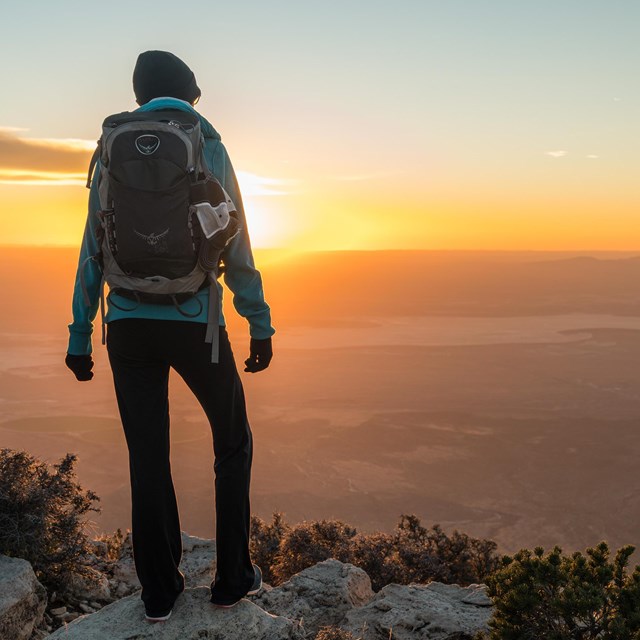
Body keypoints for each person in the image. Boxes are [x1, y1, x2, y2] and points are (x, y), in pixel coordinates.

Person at [65, 50, 275, 621]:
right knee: (232, 442)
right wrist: (259, 323)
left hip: (127, 328)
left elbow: (93, 245)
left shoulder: (111, 147)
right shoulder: (205, 143)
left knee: (147, 455)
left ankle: (159, 591)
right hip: (194, 324)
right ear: (190, 94)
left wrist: (79, 335)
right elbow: (235, 242)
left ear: (139, 96)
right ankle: (232, 578)